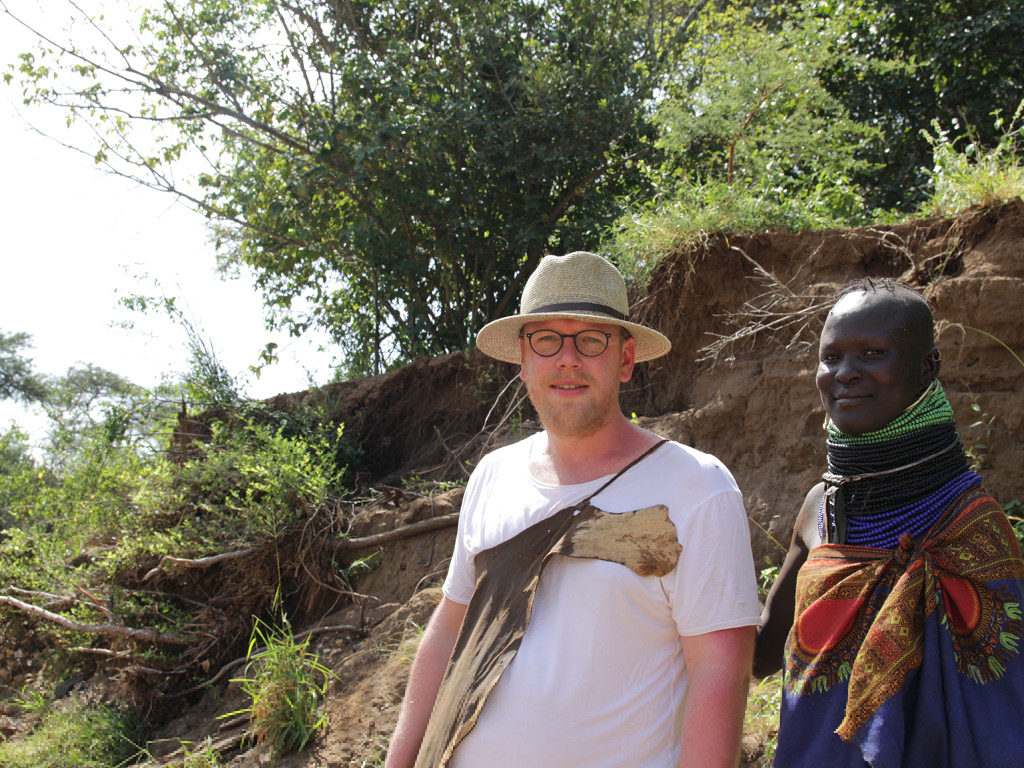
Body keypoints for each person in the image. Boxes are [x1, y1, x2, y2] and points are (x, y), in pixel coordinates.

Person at [384, 251, 761, 768]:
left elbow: (720, 673)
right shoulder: (493, 476)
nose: (567, 358)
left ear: (625, 360)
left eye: (591, 339)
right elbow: (449, 628)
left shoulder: (698, 489)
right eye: (546, 340)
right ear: (523, 360)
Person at [755, 278, 1024, 767]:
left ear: (927, 367)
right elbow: (760, 656)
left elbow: (1003, 713)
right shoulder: (821, 510)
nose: (846, 373)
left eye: (872, 353)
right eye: (831, 357)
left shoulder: (970, 525)